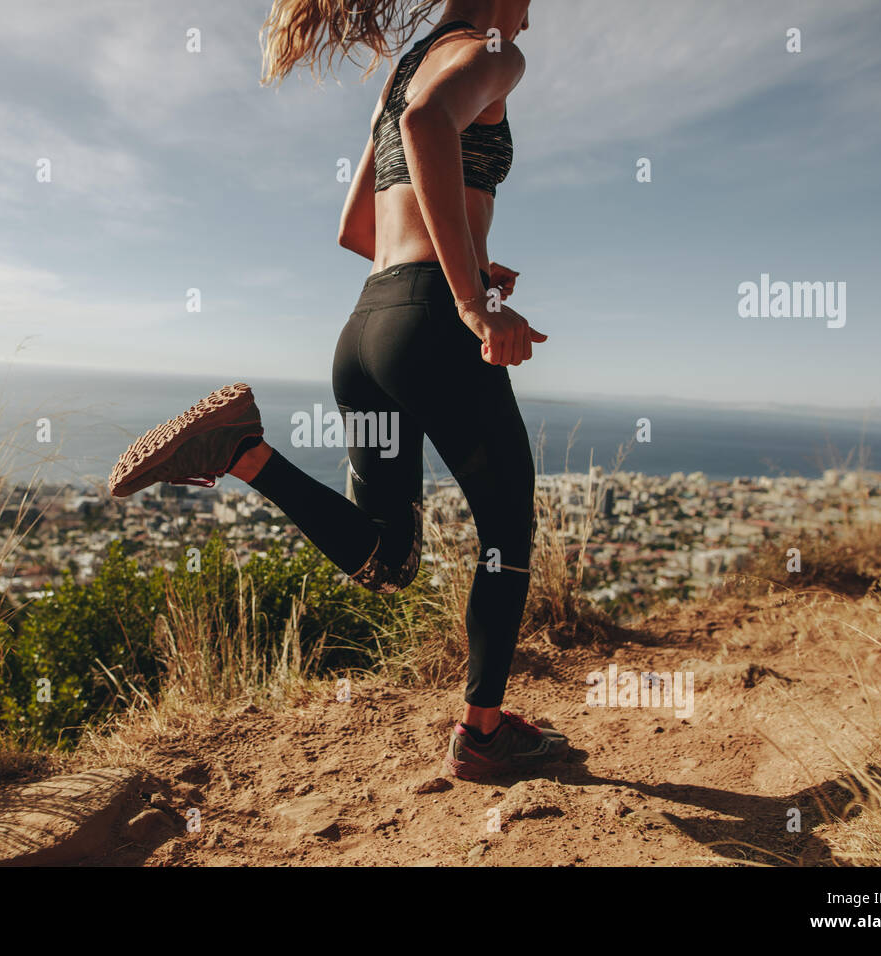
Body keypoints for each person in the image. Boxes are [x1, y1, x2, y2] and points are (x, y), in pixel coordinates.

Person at [108, 0, 573, 780]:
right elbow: (430, 125)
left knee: (387, 560)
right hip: (430, 324)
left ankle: (244, 452)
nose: (533, 15)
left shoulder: (401, 71)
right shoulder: (493, 51)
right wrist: (469, 298)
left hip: (367, 328)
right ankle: (484, 734)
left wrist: (466, 268)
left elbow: (358, 230)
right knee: (507, 530)